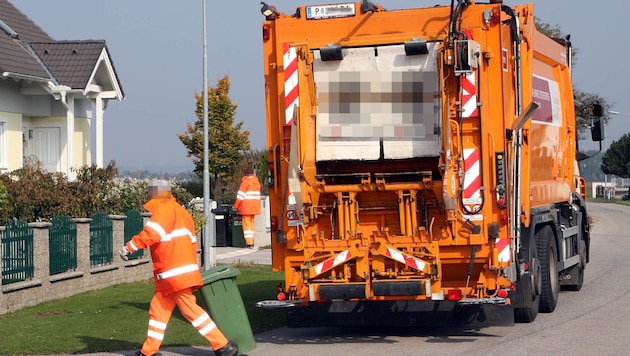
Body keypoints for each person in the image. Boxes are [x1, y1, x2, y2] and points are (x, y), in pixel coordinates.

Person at [119, 179, 238, 356]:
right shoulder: (181, 212)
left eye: (149, 193)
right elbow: (190, 241)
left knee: (190, 310)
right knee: (158, 310)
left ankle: (222, 345)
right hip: (179, 271)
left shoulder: (164, 210)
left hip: (172, 272)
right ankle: (148, 351)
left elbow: (151, 234)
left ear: (155, 194)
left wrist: (129, 247)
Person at [233, 166, 262, 248]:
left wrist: (235, 206)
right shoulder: (257, 183)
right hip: (255, 207)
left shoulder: (245, 182)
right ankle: (252, 241)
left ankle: (249, 243)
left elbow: (240, 196)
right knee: (251, 225)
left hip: (246, 207)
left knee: (247, 226)